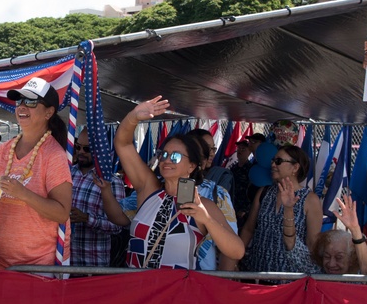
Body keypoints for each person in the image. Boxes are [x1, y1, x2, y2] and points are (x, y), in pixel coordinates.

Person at [111, 96, 244, 269]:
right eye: (164, 155)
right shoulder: (148, 189)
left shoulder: (204, 206)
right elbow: (123, 144)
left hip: (177, 293)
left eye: (175, 156)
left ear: (192, 166)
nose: (167, 160)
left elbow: (237, 251)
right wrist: (133, 117)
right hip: (138, 289)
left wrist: (207, 220)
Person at [0, 77, 73, 269]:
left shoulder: (53, 155)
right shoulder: (2, 150)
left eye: (31, 102)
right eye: (19, 101)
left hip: (38, 266)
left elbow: (62, 213)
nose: (22, 107)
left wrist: (23, 194)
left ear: (49, 112)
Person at [240, 143, 323, 276]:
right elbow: (249, 229)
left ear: (295, 167)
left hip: (290, 278)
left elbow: (312, 243)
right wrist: (235, 259)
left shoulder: (310, 200)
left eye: (278, 161)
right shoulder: (264, 192)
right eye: (273, 160)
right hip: (257, 272)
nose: (273, 164)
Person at [68, 127, 126, 267]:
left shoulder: (112, 182)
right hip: (63, 262)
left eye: (87, 149)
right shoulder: (65, 173)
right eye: (78, 147)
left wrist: (87, 218)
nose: (81, 152)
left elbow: (118, 226)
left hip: (92, 264)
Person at [187, 130, 239, 270]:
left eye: (213, 149)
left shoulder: (217, 193)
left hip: (202, 278)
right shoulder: (158, 187)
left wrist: (221, 285)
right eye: (205, 147)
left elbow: (231, 250)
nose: (211, 153)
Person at [312, 193, 367, 275]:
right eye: (327, 257)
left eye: (339, 257)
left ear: (351, 259)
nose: (331, 264)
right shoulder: (316, 272)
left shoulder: (356, 278)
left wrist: (355, 229)